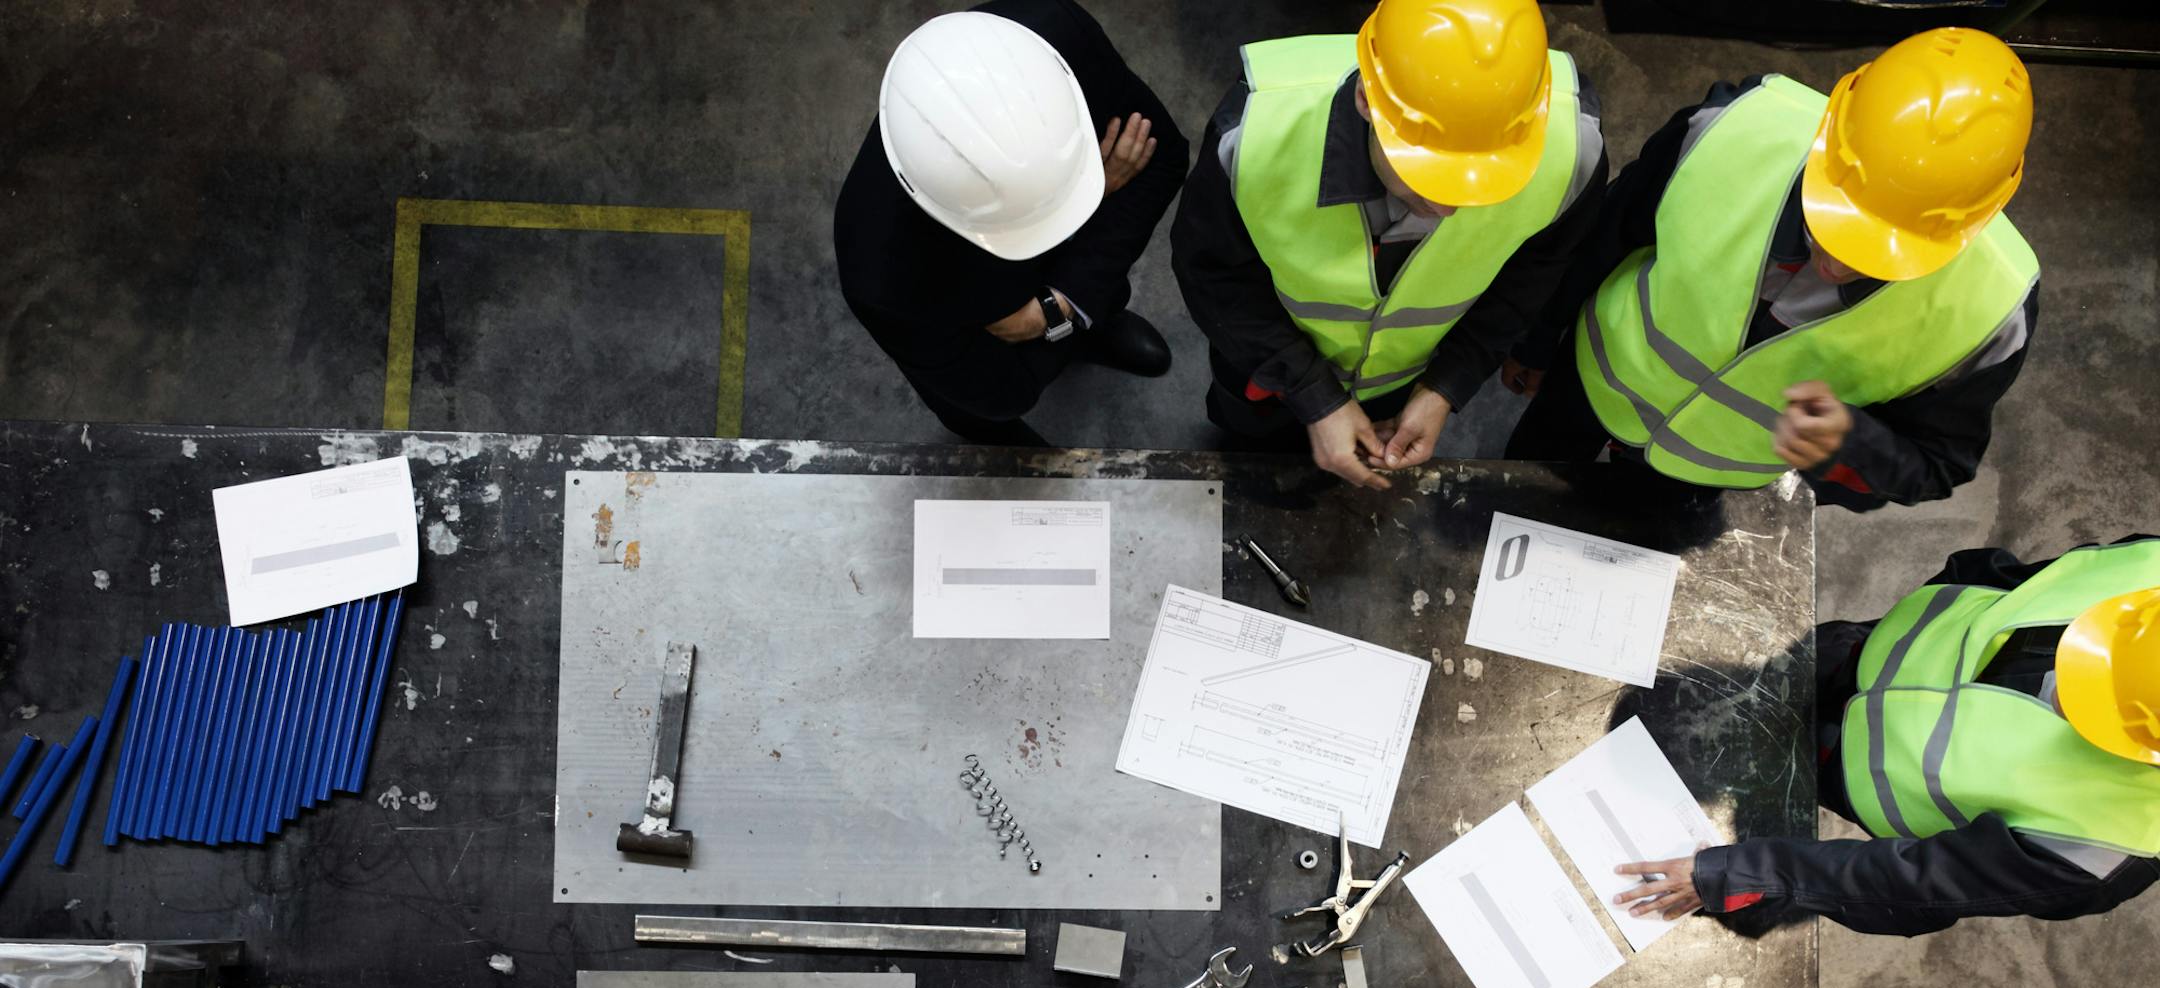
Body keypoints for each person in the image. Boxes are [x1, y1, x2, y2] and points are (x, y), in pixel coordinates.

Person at [1502, 28, 2039, 511]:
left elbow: (1937, 465)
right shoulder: (1729, 130)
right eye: (1836, 222)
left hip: (1707, 471)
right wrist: (1538, 340)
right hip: (1589, 384)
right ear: (1830, 136)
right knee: (1522, 494)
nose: (1836, 264)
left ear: (1972, 220)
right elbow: (1603, 237)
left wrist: (1851, 447)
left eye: (1880, 253)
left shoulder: (1990, 313)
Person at [1613, 538, 2160, 936]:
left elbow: (1906, 888)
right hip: (1854, 652)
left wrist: (1735, 873)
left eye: (2096, 706)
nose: (2064, 685)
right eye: (2094, 662)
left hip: (1845, 767)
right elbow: (2012, 577)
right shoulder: (2148, 570)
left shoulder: (2106, 847)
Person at [1172, 0, 1607, 489]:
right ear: (1365, 101)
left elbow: (1531, 279)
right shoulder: (1255, 135)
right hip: (1265, 370)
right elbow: (1211, 274)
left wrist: (1443, 387)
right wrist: (1314, 395)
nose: (1450, 209)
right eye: (1428, 176)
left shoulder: (1572, 152)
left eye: (1486, 183)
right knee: (1249, 460)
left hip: (1403, 385)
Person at [834, 2, 1187, 447]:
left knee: (1093, 296)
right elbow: (1003, 392)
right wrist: (1099, 193)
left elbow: (1164, 156)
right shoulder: (881, 275)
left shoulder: (1048, 33)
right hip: (972, 329)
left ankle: (1090, 325)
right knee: (986, 415)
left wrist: (1057, 310)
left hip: (1028, 309)